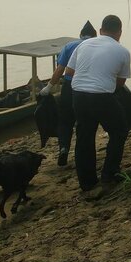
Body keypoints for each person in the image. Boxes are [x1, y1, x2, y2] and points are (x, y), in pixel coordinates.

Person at [66, 15, 131, 194]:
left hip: (77, 95)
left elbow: (69, 72)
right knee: (119, 131)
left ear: (101, 31)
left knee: (84, 137)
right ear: (119, 33)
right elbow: (120, 83)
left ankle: (87, 184)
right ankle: (109, 174)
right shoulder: (122, 51)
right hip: (101, 96)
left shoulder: (83, 45)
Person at [39, 20, 97, 167]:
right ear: (95, 35)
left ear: (80, 35)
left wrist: (49, 87)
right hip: (89, 88)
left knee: (65, 121)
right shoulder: (97, 47)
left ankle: (64, 148)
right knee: (84, 121)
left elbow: (60, 70)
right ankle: (82, 154)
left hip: (69, 86)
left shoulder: (70, 46)